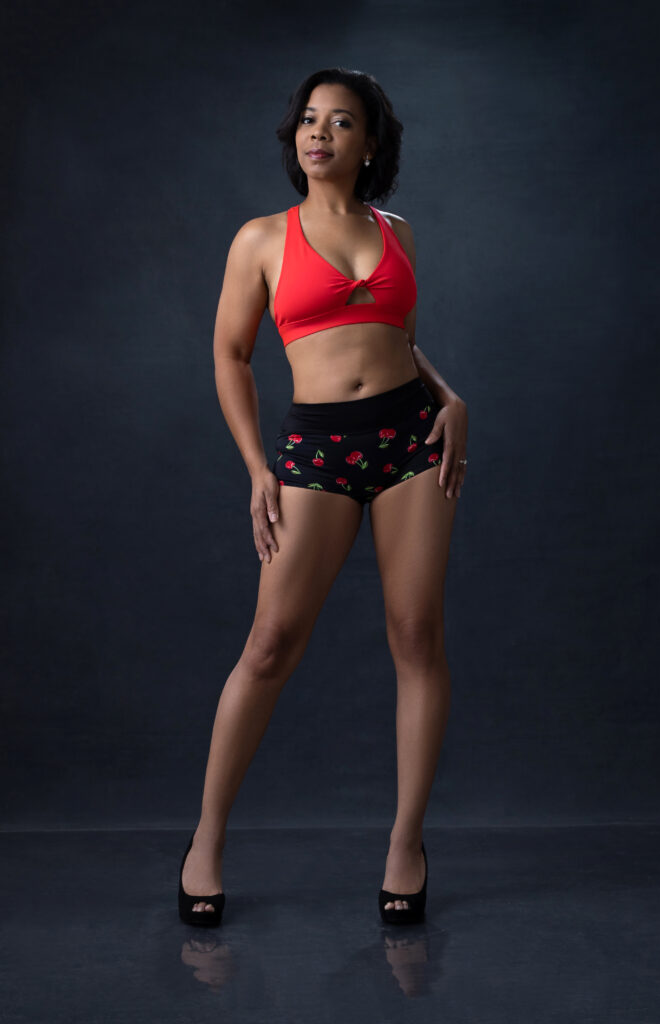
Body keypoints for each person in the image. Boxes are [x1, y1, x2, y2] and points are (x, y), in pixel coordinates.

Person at [178, 66, 468, 928]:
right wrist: (256, 469)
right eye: (309, 119)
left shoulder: (399, 233)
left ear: (369, 143)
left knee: (415, 634)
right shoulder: (261, 239)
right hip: (316, 448)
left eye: (342, 123)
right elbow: (231, 355)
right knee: (270, 643)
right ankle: (205, 841)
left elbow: (401, 342)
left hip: (412, 439)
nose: (320, 134)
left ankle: (404, 844)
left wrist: (451, 399)